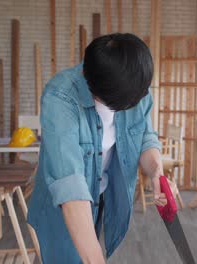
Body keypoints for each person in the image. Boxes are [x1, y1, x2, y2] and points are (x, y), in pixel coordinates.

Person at [27, 33, 170, 264]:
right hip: (62, 208)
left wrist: (156, 172)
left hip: (101, 195)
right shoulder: (60, 97)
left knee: (89, 252)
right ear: (110, 98)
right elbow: (70, 185)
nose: (142, 99)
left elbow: (145, 135)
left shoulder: (133, 84)